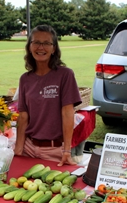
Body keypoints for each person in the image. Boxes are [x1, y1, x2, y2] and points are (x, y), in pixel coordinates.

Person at [14, 24, 81, 166]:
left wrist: (67, 151)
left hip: (54, 150)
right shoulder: (25, 79)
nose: (40, 47)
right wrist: (19, 149)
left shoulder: (65, 75)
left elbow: (68, 113)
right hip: (29, 148)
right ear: (30, 46)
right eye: (36, 42)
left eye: (46, 43)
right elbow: (23, 116)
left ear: (54, 48)